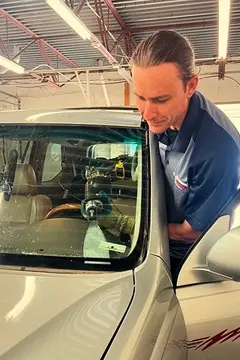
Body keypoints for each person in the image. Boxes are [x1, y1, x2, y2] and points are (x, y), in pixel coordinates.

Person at [131, 30, 240, 271]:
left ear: (190, 86)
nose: (147, 114)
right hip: (152, 243)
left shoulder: (217, 150)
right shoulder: (161, 119)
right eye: (140, 97)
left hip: (185, 264)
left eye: (160, 100)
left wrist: (131, 227)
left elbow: (191, 232)